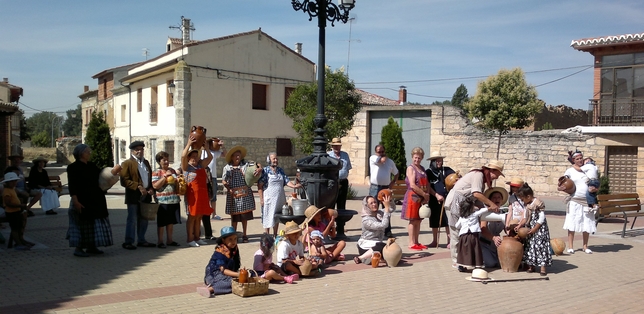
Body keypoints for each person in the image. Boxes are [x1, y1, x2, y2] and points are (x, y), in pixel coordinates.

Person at [444, 160, 504, 268]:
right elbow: (476, 194)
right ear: (492, 171)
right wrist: (491, 204)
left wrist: (486, 208)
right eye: (497, 174)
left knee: (462, 233)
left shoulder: (481, 180)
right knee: (456, 233)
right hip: (454, 203)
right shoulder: (478, 175)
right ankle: (456, 261)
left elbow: (477, 199)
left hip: (463, 205)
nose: (497, 177)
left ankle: (462, 260)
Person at [66, 144, 114, 257]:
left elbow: (101, 179)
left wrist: (112, 173)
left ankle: (91, 247)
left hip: (95, 200)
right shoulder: (73, 168)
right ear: (81, 153)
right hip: (81, 200)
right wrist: (75, 201)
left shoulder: (92, 166)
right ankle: (78, 248)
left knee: (93, 224)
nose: (90, 153)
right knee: (81, 224)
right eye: (87, 151)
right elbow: (72, 186)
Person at [401, 147, 441, 250]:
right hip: (413, 197)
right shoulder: (410, 168)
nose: (417, 160)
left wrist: (427, 194)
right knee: (412, 220)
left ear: (422, 158)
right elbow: (413, 185)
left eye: (419, 158)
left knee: (418, 220)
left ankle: (417, 242)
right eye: (415, 158)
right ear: (412, 157)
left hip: (421, 197)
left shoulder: (422, 169)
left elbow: (427, 183)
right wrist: (424, 194)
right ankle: (411, 242)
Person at [120, 141, 154, 250]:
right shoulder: (127, 163)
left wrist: (150, 188)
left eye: (141, 149)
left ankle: (141, 240)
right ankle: (129, 241)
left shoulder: (146, 163)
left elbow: (149, 179)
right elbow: (124, 181)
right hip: (134, 196)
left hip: (146, 196)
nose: (140, 151)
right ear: (132, 151)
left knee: (144, 218)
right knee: (132, 219)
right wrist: (138, 187)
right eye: (137, 149)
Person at [222, 146, 261, 243]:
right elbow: (223, 180)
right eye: (236, 156)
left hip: (244, 193)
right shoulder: (227, 168)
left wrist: (260, 168)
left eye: (239, 155)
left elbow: (257, 164)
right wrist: (228, 188)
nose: (238, 157)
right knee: (234, 217)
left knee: (244, 216)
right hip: (233, 195)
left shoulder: (246, 164)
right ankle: (233, 235)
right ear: (232, 157)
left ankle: (244, 234)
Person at [560, 150, 596, 254]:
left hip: (587, 201)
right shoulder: (570, 171)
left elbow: (595, 181)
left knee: (586, 224)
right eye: (577, 159)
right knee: (572, 223)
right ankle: (571, 246)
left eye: (581, 158)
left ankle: (585, 246)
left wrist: (595, 189)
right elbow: (563, 182)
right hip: (575, 200)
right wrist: (562, 187)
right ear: (573, 160)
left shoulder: (588, 169)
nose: (580, 160)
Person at [258, 152, 300, 236]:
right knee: (268, 216)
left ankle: (275, 234)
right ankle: (267, 235)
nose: (276, 160)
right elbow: (260, 185)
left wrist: (294, 186)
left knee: (276, 216)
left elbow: (287, 181)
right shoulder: (265, 171)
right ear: (269, 160)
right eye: (274, 159)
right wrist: (261, 199)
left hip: (279, 198)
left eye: (276, 159)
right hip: (269, 198)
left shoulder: (280, 170)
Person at [181, 135, 213, 247]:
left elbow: (210, 158)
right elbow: (182, 156)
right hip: (192, 196)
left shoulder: (200, 165)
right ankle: (190, 239)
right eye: (192, 156)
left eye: (196, 156)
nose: (194, 158)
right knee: (192, 217)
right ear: (189, 158)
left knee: (199, 216)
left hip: (202, 194)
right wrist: (189, 143)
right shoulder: (186, 167)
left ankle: (197, 237)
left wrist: (207, 149)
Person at [517, 183, 552, 275]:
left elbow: (541, 218)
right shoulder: (527, 205)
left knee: (540, 247)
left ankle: (542, 268)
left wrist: (535, 229)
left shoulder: (538, 204)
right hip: (530, 229)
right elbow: (525, 217)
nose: (523, 201)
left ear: (528, 196)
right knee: (530, 247)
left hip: (540, 230)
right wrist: (520, 225)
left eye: (523, 199)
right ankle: (531, 266)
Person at [198, 226, 241, 297]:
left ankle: (216, 286)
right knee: (232, 282)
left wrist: (239, 273)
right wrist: (237, 275)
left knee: (241, 280)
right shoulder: (220, 251)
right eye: (230, 239)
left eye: (235, 239)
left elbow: (235, 264)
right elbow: (223, 270)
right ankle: (210, 289)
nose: (233, 241)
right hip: (214, 274)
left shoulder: (234, 249)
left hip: (227, 274)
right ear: (223, 240)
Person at [369, 144, 399, 238]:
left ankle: (387, 230)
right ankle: (373, 230)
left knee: (387, 209)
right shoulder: (373, 158)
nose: (381, 154)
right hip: (375, 187)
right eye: (379, 152)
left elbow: (396, 173)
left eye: (382, 152)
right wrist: (383, 156)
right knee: (373, 208)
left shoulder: (390, 162)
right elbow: (381, 160)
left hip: (386, 187)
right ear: (375, 152)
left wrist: (393, 182)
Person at [151, 151, 181, 248]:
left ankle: (170, 240)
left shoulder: (172, 171)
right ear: (159, 161)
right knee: (162, 222)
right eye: (164, 160)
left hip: (173, 199)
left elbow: (176, 183)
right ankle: (160, 241)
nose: (167, 162)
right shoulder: (156, 172)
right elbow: (155, 186)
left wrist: (179, 180)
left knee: (170, 221)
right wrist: (165, 177)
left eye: (167, 159)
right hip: (162, 201)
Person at [425, 151, 454, 248]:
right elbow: (428, 186)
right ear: (432, 161)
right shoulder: (428, 172)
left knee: (447, 219)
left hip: (447, 199)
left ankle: (449, 240)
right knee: (434, 220)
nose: (439, 162)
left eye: (440, 160)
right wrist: (436, 195)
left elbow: (455, 178)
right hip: (434, 199)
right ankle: (434, 240)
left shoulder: (447, 170)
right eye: (437, 161)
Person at [455, 195, 491, 272]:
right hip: (473, 236)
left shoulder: (462, 217)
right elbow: (483, 210)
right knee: (475, 249)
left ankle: (462, 264)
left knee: (463, 251)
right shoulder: (474, 214)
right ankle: (477, 265)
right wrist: (489, 207)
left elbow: (456, 226)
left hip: (464, 237)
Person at [354, 194, 392, 265]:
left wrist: (389, 199)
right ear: (367, 206)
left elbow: (392, 208)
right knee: (382, 245)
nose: (374, 204)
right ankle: (360, 258)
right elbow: (384, 225)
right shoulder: (366, 220)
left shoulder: (379, 213)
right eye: (371, 203)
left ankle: (374, 258)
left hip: (375, 245)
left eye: (375, 202)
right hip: (365, 247)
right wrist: (386, 208)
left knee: (391, 248)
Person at [201, 138, 226, 241]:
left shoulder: (213, 153)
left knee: (212, 197)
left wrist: (221, 145)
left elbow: (224, 154)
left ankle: (213, 214)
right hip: (202, 178)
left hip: (212, 177)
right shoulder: (199, 152)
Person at [480, 187, 509, 268]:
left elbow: (507, 229)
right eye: (494, 197)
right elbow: (483, 229)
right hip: (484, 244)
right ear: (490, 200)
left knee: (502, 263)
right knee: (490, 264)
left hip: (496, 245)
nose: (497, 199)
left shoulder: (503, 213)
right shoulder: (485, 212)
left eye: (499, 197)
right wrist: (493, 238)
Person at [2, 172, 32, 250]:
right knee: (14, 228)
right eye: (12, 181)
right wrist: (19, 205)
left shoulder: (13, 189)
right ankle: (18, 243)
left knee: (19, 227)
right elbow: (8, 203)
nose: (14, 183)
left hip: (17, 211)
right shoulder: (6, 191)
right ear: (7, 182)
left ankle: (21, 240)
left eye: (15, 181)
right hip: (11, 212)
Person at [328, 137, 352, 210]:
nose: (337, 147)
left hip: (343, 182)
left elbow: (348, 168)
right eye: (335, 145)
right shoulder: (328, 156)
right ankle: (331, 220)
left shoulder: (345, 155)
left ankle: (341, 221)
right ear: (332, 146)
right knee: (331, 203)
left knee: (342, 203)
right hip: (332, 182)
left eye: (338, 145)